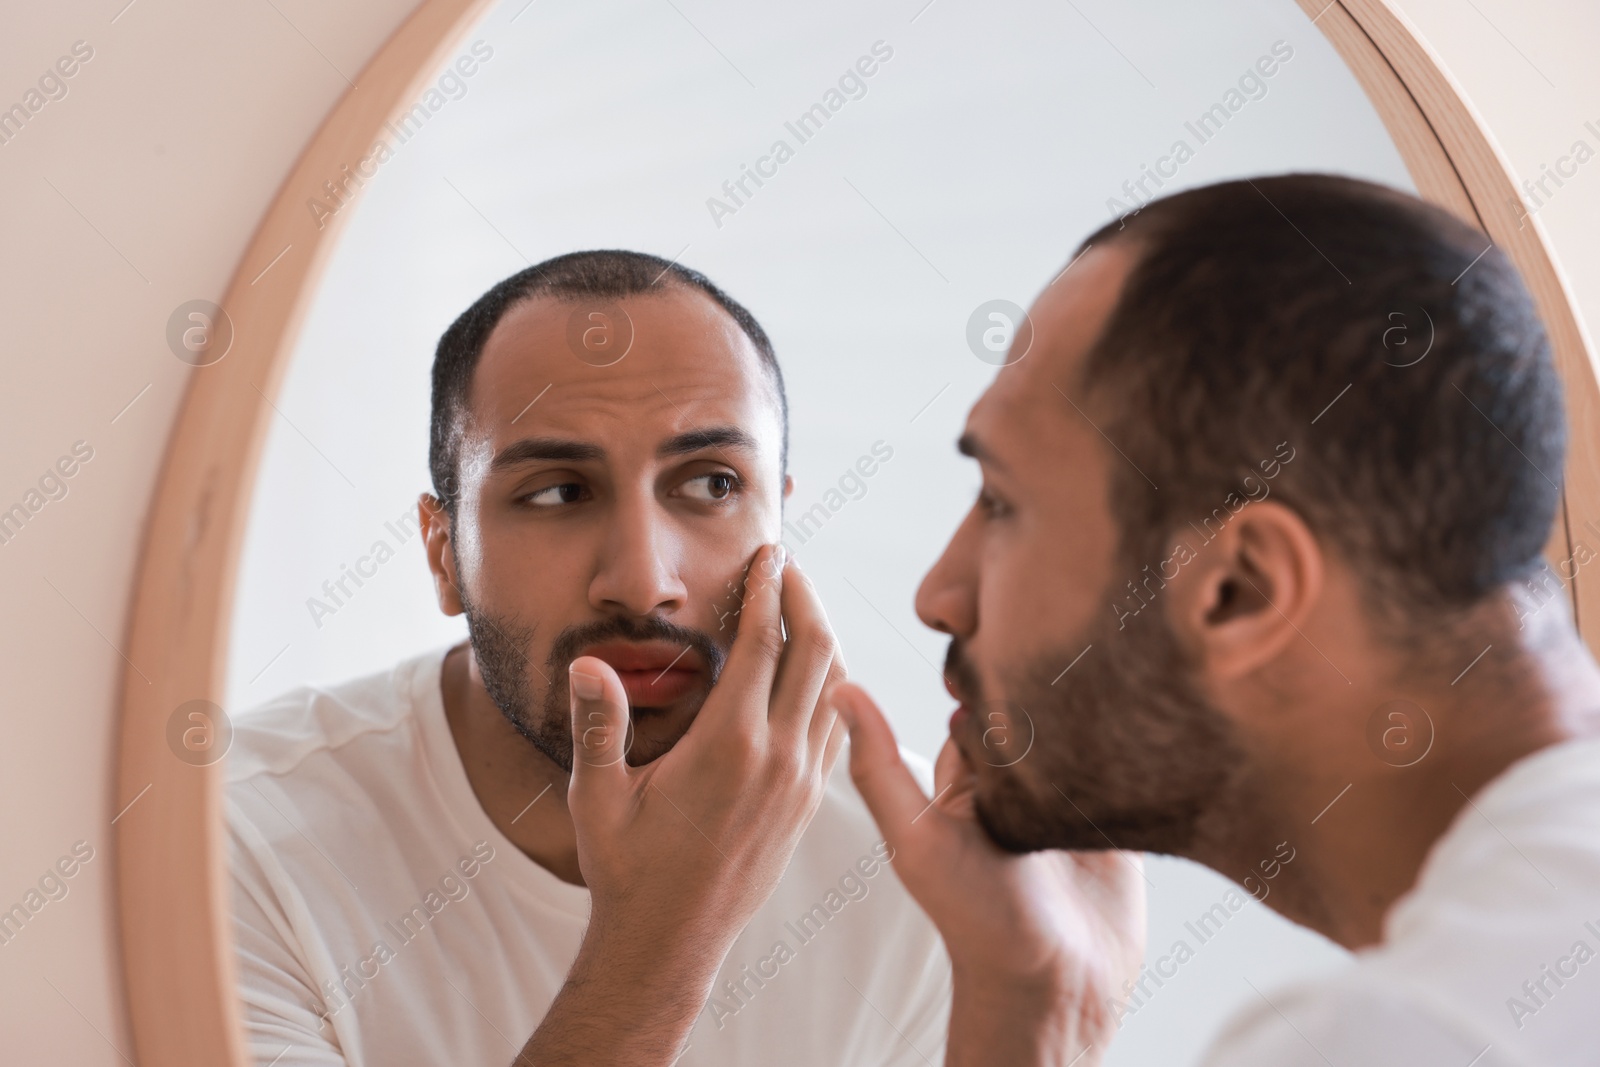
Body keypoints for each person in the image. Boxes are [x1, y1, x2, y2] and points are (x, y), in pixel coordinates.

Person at [838, 174, 1600, 1066]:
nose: (939, 594)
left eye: (1001, 502)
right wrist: (1029, 1006)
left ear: (1241, 589)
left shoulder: (1397, 1040)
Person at [228, 251, 950, 1066]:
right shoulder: (236, 846)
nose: (643, 584)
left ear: (779, 523)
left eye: (712, 484)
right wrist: (664, 942)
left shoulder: (929, 861)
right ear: (443, 554)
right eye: (557, 492)